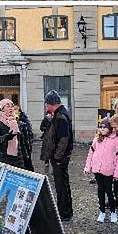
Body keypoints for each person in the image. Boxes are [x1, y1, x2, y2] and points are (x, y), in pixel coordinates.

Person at [84, 114, 118, 223]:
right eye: (100, 127)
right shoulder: (97, 139)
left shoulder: (116, 140)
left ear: (110, 128)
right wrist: (88, 167)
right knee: (100, 191)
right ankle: (102, 211)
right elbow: (91, 153)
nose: (102, 129)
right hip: (98, 170)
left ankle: (113, 212)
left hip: (109, 171)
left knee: (110, 192)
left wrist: (117, 173)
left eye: (104, 127)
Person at [41, 90, 74, 220]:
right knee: (62, 185)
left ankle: (64, 212)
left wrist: (57, 157)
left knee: (61, 186)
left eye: (46, 103)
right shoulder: (59, 114)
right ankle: (64, 210)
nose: (45, 106)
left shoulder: (61, 116)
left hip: (60, 158)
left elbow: (64, 139)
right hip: (60, 157)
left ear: (50, 103)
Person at [0, 98, 25, 169]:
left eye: (12, 106)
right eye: (8, 106)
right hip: (4, 157)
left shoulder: (16, 121)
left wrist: (25, 154)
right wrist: (7, 137)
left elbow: (21, 141)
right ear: (2, 109)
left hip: (17, 157)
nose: (11, 108)